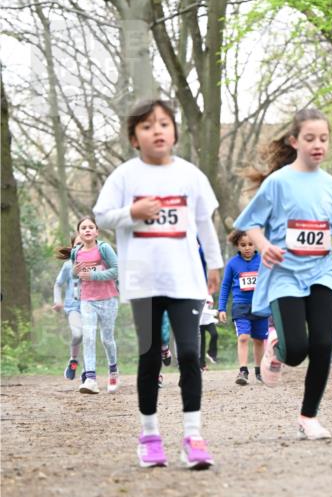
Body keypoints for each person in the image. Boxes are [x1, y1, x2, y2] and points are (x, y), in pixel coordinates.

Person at [94, 98, 222, 469]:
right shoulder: (124, 176)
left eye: (164, 124)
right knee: (151, 355)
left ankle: (192, 436)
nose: (157, 131)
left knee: (190, 354)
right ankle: (149, 435)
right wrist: (131, 213)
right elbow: (102, 215)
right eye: (147, 126)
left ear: (174, 131)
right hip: (143, 280)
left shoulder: (191, 175)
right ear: (135, 138)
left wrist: (214, 264)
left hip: (185, 279)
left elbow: (203, 224)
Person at [234, 107, 332, 440]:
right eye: (310, 138)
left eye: (324, 139)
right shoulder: (279, 182)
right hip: (285, 275)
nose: (318, 144)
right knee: (297, 350)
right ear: (295, 141)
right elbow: (248, 223)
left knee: (323, 342)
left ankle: (308, 417)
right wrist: (264, 245)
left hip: (321, 273)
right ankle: (278, 347)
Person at [63, 217, 119, 395]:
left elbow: (116, 271)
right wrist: (76, 271)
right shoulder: (76, 252)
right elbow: (74, 274)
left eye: (90, 227)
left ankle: (113, 372)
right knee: (88, 338)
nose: (87, 230)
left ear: (96, 232)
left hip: (108, 299)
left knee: (106, 339)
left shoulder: (104, 248)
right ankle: (91, 379)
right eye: (83, 228)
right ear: (79, 233)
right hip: (87, 300)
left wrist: (93, 274)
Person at [218, 229, 267, 386]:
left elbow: (271, 282)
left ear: (256, 245)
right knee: (243, 337)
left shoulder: (263, 261)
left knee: (259, 340)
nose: (247, 248)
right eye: (243, 245)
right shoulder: (232, 263)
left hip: (260, 305)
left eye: (250, 244)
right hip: (240, 306)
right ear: (237, 245)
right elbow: (225, 286)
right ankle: (243, 370)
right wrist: (221, 308)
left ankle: (259, 371)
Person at [53, 232, 83, 381]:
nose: (81, 247)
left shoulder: (97, 263)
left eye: (84, 244)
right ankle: (73, 360)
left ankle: (89, 371)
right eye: (77, 244)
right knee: (78, 334)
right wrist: (58, 301)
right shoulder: (67, 265)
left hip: (93, 305)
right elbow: (58, 285)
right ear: (72, 248)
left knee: (90, 337)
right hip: (73, 307)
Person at [199, 295, 218, 369]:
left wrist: (214, 319)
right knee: (202, 344)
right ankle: (202, 365)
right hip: (200, 323)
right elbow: (201, 309)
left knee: (214, 334)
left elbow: (208, 309)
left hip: (209, 321)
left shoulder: (210, 297)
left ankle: (211, 354)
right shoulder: (200, 295)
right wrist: (213, 312)